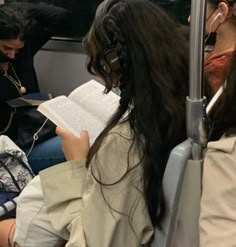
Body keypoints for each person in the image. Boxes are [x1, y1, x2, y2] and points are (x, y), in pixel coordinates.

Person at [0, 0, 189, 246]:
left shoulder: (121, 145)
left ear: (116, 64)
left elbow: (91, 239)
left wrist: (78, 164)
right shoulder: (177, 110)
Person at [0, 3, 69, 173]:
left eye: (17, 49)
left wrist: (14, 14)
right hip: (14, 147)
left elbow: (59, 15)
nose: (12, 55)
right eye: (7, 48)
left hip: (37, 130)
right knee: (78, 146)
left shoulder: (22, 53)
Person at [199, 1, 236, 246]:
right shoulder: (215, 57)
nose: (192, 20)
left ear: (221, 12)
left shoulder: (220, 71)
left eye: (200, 13)